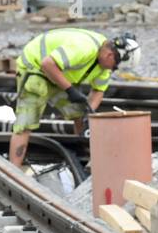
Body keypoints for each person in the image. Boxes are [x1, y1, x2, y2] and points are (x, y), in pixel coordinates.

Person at [9, 28, 139, 167]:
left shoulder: (104, 66)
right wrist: (70, 90)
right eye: (115, 67)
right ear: (109, 55)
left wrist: (87, 115)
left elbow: (98, 91)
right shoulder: (83, 48)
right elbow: (47, 64)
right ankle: (13, 171)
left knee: (80, 114)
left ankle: (87, 163)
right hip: (35, 67)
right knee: (26, 123)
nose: (113, 70)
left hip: (59, 72)